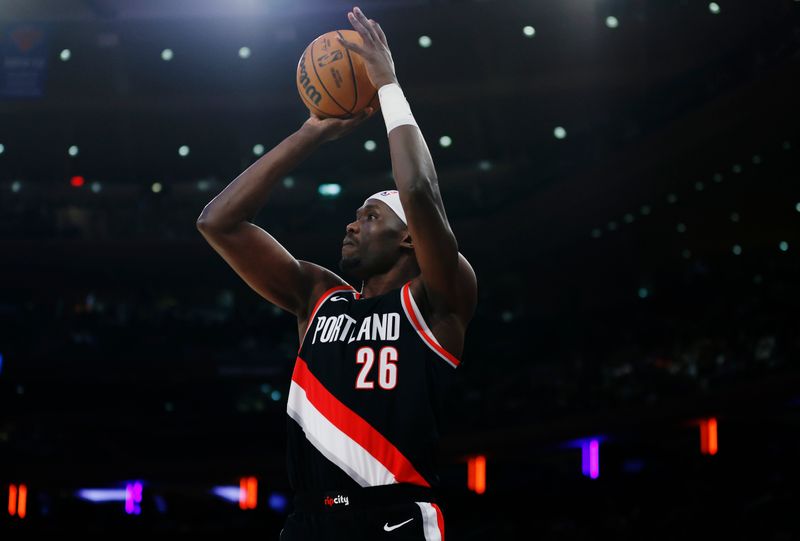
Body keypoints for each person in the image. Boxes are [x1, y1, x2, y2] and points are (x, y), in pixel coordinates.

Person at [197, 6, 476, 540]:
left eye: (370, 216)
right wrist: (312, 133)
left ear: (410, 236)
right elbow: (219, 222)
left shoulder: (439, 299)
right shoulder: (320, 297)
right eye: (355, 215)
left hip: (394, 517)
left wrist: (388, 84)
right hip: (308, 521)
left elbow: (419, 192)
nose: (352, 225)